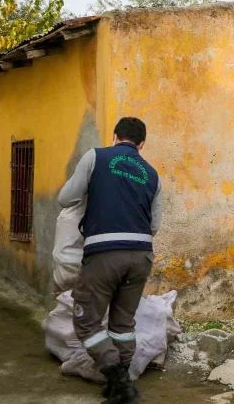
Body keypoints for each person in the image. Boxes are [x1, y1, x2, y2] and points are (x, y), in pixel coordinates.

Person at [58, 117, 162, 404]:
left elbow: (66, 198)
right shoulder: (153, 174)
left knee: (87, 322)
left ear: (114, 136)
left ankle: (118, 380)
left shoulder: (96, 156)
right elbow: (154, 225)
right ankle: (120, 383)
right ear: (141, 144)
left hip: (104, 253)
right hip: (141, 256)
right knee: (122, 323)